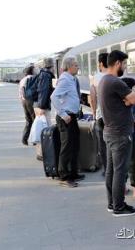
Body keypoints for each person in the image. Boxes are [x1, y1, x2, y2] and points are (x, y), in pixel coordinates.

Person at [98, 50, 135, 217]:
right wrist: (129, 99)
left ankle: (112, 203)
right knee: (120, 172)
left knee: (111, 170)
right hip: (120, 134)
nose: (124, 67)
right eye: (123, 64)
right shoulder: (115, 82)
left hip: (109, 132)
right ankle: (119, 206)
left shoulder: (104, 80)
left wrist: (127, 100)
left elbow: (129, 100)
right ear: (117, 63)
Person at [51, 57, 84, 188]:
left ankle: (73, 172)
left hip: (72, 116)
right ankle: (64, 176)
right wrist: (64, 115)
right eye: (76, 65)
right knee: (67, 146)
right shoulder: (65, 79)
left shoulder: (71, 79)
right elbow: (53, 97)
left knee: (75, 145)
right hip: (66, 118)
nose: (77, 67)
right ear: (69, 66)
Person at [90, 53, 108, 176]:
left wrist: (93, 113)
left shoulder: (95, 78)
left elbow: (92, 98)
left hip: (100, 116)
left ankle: (106, 169)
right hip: (112, 116)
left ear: (100, 63)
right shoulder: (114, 76)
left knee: (102, 143)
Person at [34, 58, 55, 161]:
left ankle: (41, 152)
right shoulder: (46, 76)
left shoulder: (42, 74)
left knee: (41, 128)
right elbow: (44, 92)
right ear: (51, 66)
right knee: (44, 129)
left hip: (40, 105)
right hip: (43, 107)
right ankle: (42, 153)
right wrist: (41, 107)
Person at [18, 64, 36, 145]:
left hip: (23, 101)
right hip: (30, 101)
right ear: (32, 71)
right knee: (35, 120)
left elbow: (20, 92)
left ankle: (24, 139)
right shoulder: (32, 78)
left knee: (28, 121)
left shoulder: (23, 79)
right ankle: (35, 139)